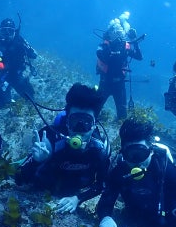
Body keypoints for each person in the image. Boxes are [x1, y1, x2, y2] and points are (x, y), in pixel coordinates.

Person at [96, 113, 176, 227]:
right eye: (131, 154)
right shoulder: (119, 172)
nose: (136, 161)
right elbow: (106, 199)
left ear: (151, 150)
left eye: (141, 153)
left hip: (163, 222)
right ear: (123, 153)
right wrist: (105, 218)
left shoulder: (169, 173)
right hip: (135, 217)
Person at [16, 83, 110, 214]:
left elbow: (101, 184)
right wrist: (36, 161)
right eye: (75, 121)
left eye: (86, 122)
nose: (80, 129)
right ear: (67, 122)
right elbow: (19, 178)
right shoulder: (50, 140)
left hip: (73, 189)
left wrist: (78, 199)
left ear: (94, 125)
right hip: (45, 188)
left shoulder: (100, 149)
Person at [0, 17, 39, 108]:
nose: (7, 34)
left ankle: (24, 101)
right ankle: (5, 101)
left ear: (14, 32)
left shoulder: (19, 41)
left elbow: (34, 55)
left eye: (10, 31)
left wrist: (24, 46)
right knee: (2, 105)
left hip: (16, 74)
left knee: (31, 99)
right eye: (4, 31)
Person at [96, 11, 143, 120]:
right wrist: (113, 49)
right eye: (116, 32)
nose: (119, 35)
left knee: (122, 115)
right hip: (105, 83)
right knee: (95, 110)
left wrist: (134, 41)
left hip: (119, 84)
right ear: (110, 33)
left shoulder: (125, 47)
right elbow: (104, 57)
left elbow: (139, 57)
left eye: (120, 32)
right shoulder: (103, 46)